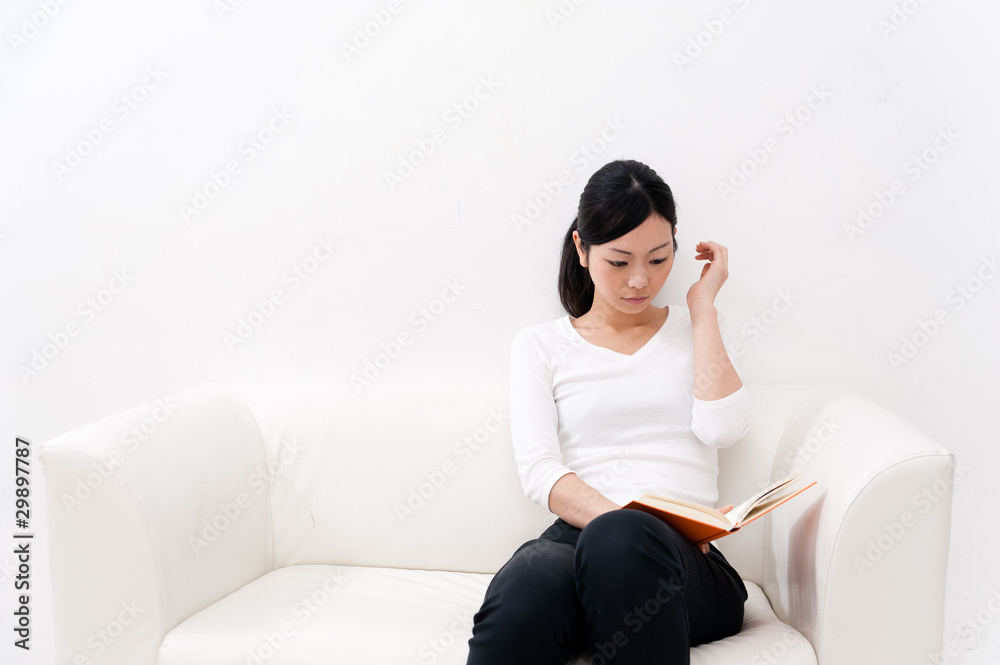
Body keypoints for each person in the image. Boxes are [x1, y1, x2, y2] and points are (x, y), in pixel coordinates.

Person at [465, 159, 751, 665]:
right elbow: (540, 472)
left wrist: (704, 308)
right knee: (529, 582)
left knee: (622, 541)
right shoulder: (540, 346)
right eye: (619, 262)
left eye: (659, 260)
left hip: (683, 559)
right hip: (579, 535)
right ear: (581, 248)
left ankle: (618, 544)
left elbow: (722, 428)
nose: (640, 280)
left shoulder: (696, 327)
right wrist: (612, 524)